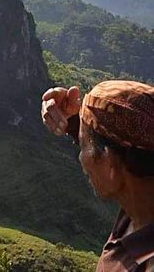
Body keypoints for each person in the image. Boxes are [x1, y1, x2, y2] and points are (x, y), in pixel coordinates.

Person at [41, 81, 154, 272]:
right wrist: (74, 120)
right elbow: (123, 147)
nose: (80, 157)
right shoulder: (139, 199)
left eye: (83, 145)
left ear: (109, 163)